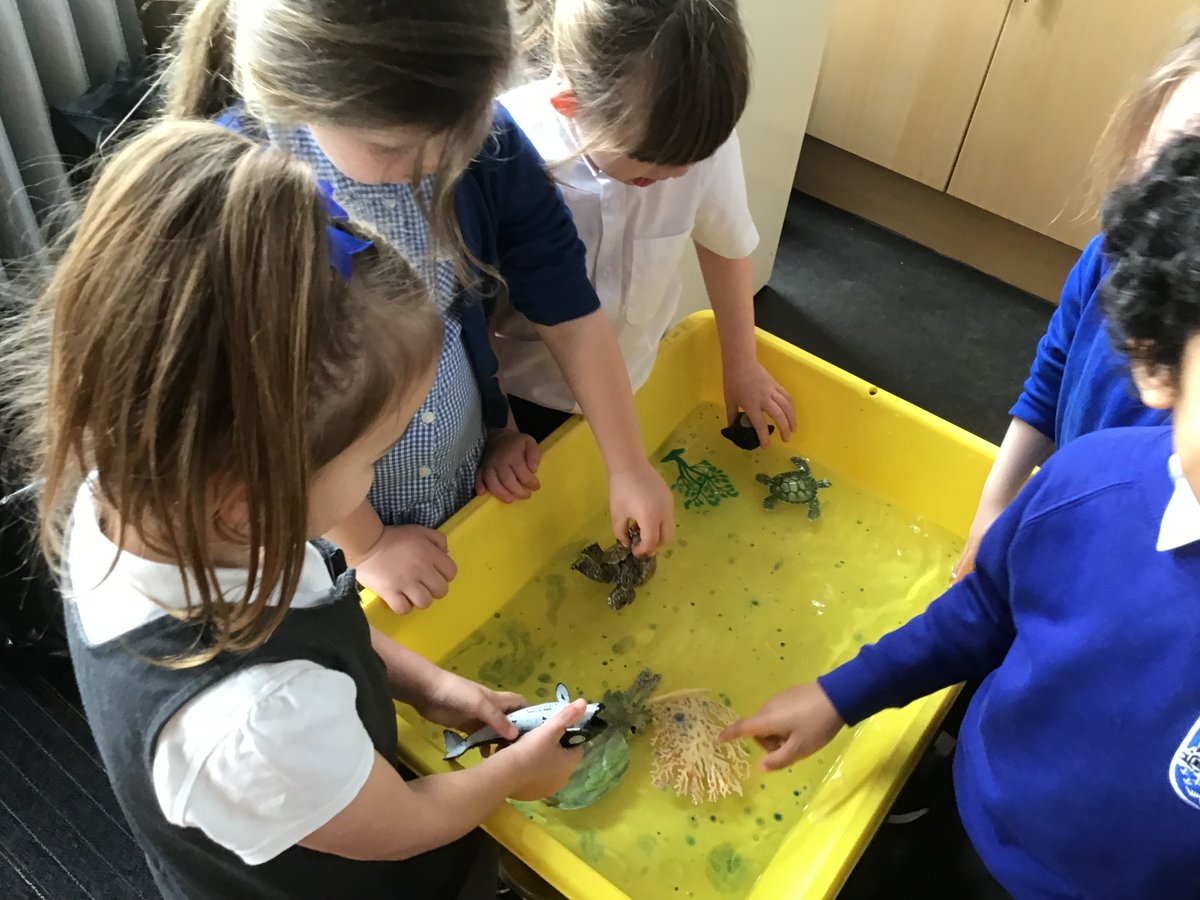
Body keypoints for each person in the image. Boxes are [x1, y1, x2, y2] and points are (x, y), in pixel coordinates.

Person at [1, 121, 585, 899]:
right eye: (373, 458)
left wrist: (435, 689)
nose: (373, 477)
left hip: (317, 781)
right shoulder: (248, 723)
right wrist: (515, 773)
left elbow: (319, 614)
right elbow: (401, 826)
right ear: (253, 494)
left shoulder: (150, 491)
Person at [720, 130, 1200, 899]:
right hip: (976, 812)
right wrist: (842, 694)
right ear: (1156, 359)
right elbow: (983, 610)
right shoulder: (1086, 484)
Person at [167, 0, 674, 615]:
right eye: (398, 146)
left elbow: (566, 305)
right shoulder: (238, 197)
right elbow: (265, 427)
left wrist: (618, 463)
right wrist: (368, 545)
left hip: (457, 466)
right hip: (327, 522)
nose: (446, 158)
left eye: (468, 125)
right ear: (302, 97)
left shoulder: (478, 137)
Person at [952, 31, 1200, 580]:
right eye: (1180, 156)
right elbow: (1050, 378)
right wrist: (993, 506)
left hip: (1141, 562)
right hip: (1066, 507)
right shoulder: (1104, 257)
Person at [497, 0, 796, 446]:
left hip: (633, 383)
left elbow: (725, 244)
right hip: (519, 394)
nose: (677, 176)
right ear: (568, 105)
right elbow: (466, 315)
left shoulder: (696, 143)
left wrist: (740, 362)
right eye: (653, 164)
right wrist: (498, 428)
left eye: (691, 162)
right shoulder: (508, 149)